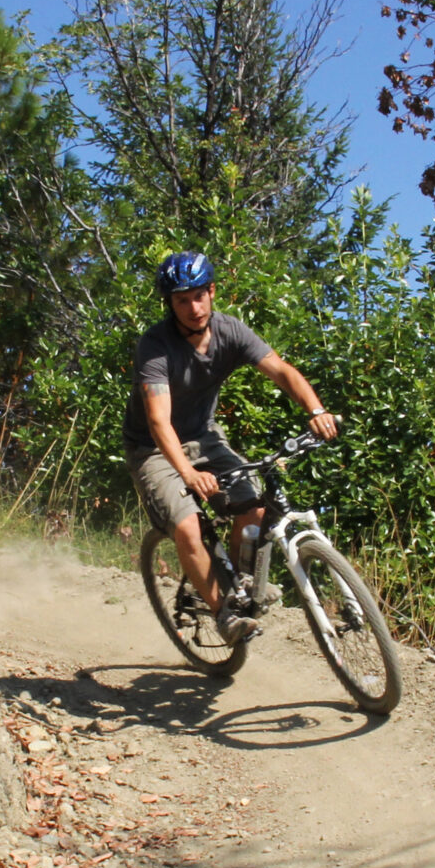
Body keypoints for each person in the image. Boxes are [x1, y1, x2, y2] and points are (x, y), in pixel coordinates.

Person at [125, 251, 340, 644]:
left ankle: (243, 581)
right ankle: (224, 613)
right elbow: (158, 421)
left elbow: (282, 370)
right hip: (153, 450)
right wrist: (188, 474)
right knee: (188, 527)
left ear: (211, 291)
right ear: (170, 304)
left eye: (198, 296)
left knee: (254, 508)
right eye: (181, 300)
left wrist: (316, 409)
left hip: (205, 437)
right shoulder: (155, 346)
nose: (193, 307)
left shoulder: (230, 332)